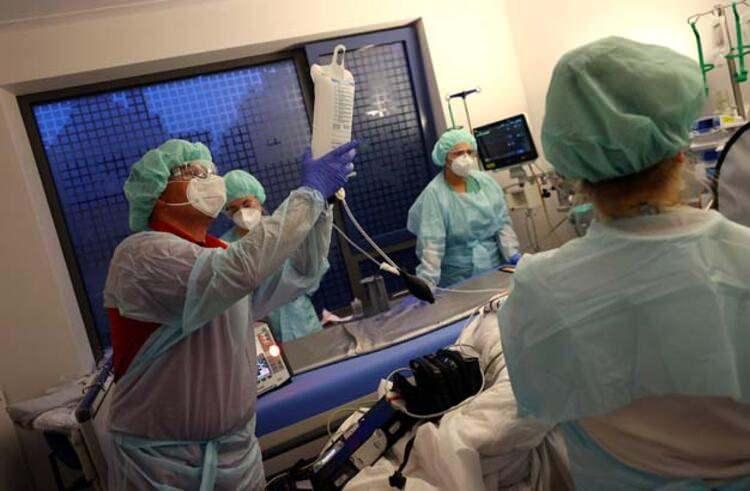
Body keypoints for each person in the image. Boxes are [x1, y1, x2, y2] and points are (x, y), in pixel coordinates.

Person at [499, 37, 750, 490]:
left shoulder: (538, 289)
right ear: (679, 152)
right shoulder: (742, 258)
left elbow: (540, 404)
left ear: (576, 172)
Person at [104, 138, 358, 489]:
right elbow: (236, 269)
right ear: (157, 194)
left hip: (237, 455)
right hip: (163, 466)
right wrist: (308, 194)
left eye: (211, 170)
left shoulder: (219, 251)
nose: (209, 178)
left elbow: (301, 272)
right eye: (193, 172)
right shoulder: (140, 256)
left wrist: (321, 208)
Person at [222, 169, 328, 341]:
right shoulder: (225, 246)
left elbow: (312, 271)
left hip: (301, 320)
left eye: (247, 204)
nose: (241, 212)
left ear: (258, 199)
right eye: (232, 209)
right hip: (260, 329)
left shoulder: (282, 230)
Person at [407, 128, 521, 289]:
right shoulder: (435, 194)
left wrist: (512, 253)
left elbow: (502, 223)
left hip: (495, 267)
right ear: (445, 157)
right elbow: (432, 243)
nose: (465, 158)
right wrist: (427, 281)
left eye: (469, 152)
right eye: (458, 153)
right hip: (458, 277)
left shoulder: (485, 183)